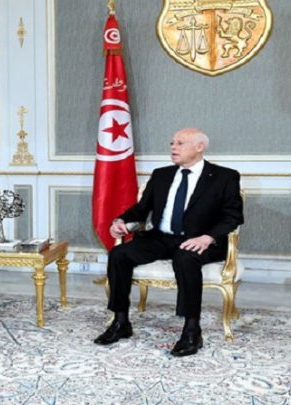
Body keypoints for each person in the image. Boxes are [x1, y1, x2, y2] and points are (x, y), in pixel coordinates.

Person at [93, 128, 243, 357]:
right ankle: (120, 321)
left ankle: (192, 330)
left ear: (199, 147)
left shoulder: (224, 177)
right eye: (172, 143)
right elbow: (141, 209)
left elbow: (232, 216)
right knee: (119, 254)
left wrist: (207, 237)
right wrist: (120, 221)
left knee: (185, 258)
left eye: (180, 143)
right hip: (161, 238)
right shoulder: (161, 175)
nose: (173, 147)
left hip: (199, 240)